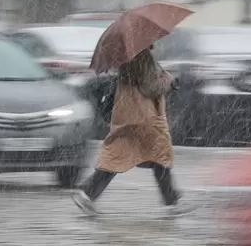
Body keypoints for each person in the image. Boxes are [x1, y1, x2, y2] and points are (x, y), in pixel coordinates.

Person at [71, 45, 183, 216]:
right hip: (144, 116)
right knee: (158, 154)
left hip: (127, 111)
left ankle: (88, 193)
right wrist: (168, 80)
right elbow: (150, 88)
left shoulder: (128, 54)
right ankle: (171, 202)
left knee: (121, 154)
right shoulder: (142, 55)